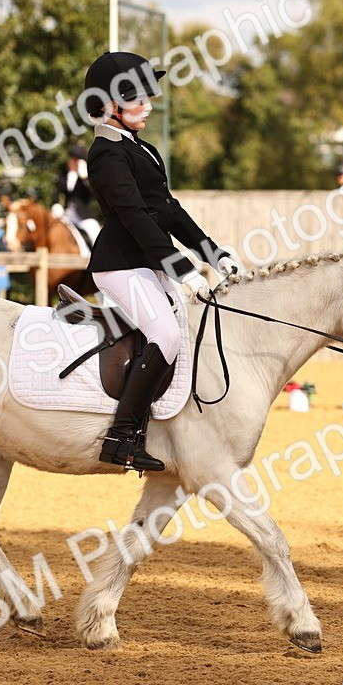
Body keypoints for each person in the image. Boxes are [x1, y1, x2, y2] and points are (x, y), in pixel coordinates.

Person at [81, 51, 238, 472]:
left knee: (186, 328)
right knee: (166, 332)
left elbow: (168, 210)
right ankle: (122, 436)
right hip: (119, 264)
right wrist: (182, 268)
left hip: (146, 264)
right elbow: (133, 217)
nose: (149, 104)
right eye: (138, 98)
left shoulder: (141, 147)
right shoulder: (105, 152)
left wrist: (211, 252)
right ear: (111, 103)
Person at [52, 145, 100, 249]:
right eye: (70, 159)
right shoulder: (64, 176)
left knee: (94, 234)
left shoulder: (87, 177)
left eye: (75, 160)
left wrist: (85, 179)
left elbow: (94, 194)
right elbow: (56, 192)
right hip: (68, 214)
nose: (71, 162)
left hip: (83, 215)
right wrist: (55, 203)